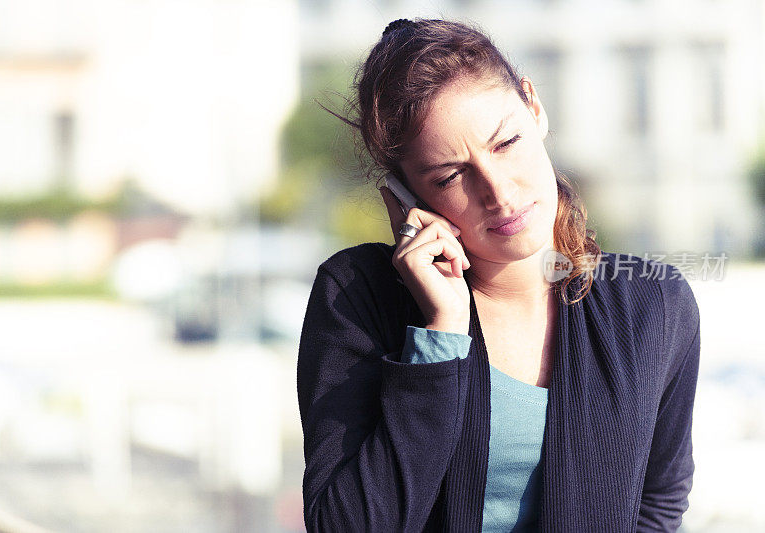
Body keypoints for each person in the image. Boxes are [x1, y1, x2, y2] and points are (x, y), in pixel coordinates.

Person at [297, 18, 700, 532]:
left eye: (506, 143)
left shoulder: (653, 304)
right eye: (450, 176)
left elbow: (658, 505)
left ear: (533, 107)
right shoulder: (357, 297)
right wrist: (439, 336)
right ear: (404, 195)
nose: (499, 193)